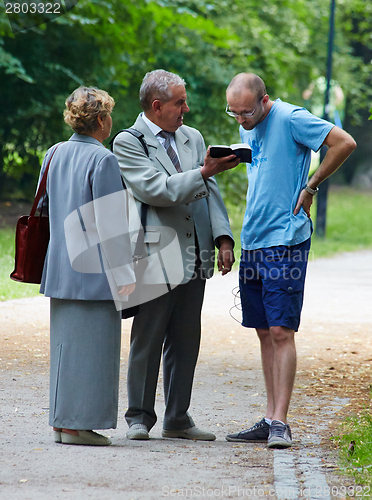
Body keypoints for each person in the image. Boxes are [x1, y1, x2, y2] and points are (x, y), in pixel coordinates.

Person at [224, 73, 356, 448]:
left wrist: (311, 185)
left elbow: (344, 142)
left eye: (246, 113)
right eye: (233, 113)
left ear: (265, 101)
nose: (241, 121)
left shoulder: (291, 117)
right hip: (253, 241)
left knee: (282, 330)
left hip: (285, 241)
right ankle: (269, 418)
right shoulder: (247, 126)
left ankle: (281, 422)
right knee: (264, 331)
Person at [112, 69, 240, 441]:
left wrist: (223, 238)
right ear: (157, 106)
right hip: (153, 254)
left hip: (195, 252)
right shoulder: (127, 142)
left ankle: (178, 418)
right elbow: (155, 190)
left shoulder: (192, 137)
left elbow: (210, 190)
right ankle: (138, 416)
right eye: (179, 102)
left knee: (186, 338)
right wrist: (203, 171)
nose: (186, 108)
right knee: (148, 338)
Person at [39, 86, 135, 446]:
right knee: (95, 350)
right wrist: (125, 274)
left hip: (59, 267)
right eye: (108, 114)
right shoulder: (104, 160)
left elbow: (45, 208)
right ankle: (80, 426)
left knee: (65, 348)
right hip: (95, 273)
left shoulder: (53, 154)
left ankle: (63, 423)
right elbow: (112, 225)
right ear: (100, 119)